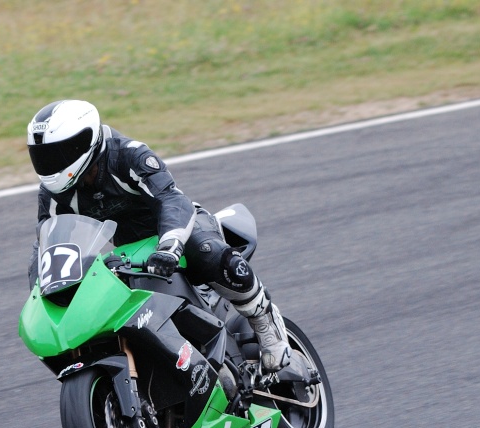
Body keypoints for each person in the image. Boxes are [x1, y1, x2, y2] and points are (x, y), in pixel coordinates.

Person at [26, 99, 291, 373]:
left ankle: (265, 321)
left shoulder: (128, 155)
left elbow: (171, 199)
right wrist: (42, 286)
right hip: (128, 252)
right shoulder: (54, 193)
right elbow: (47, 240)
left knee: (205, 250)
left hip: (178, 231)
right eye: (42, 155)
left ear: (85, 142)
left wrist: (170, 246)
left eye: (57, 153)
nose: (49, 163)